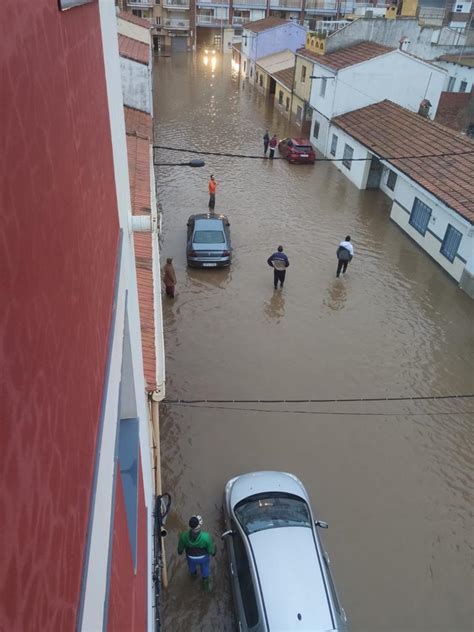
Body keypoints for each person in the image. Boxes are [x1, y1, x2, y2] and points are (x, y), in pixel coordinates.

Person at [178, 515, 216, 591]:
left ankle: (193, 576)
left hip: (190, 557)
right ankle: (205, 585)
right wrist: (214, 552)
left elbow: (180, 549)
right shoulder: (206, 537)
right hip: (203, 558)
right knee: (205, 568)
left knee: (191, 568)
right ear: (199, 525)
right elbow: (210, 550)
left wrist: (180, 551)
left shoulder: (183, 536)